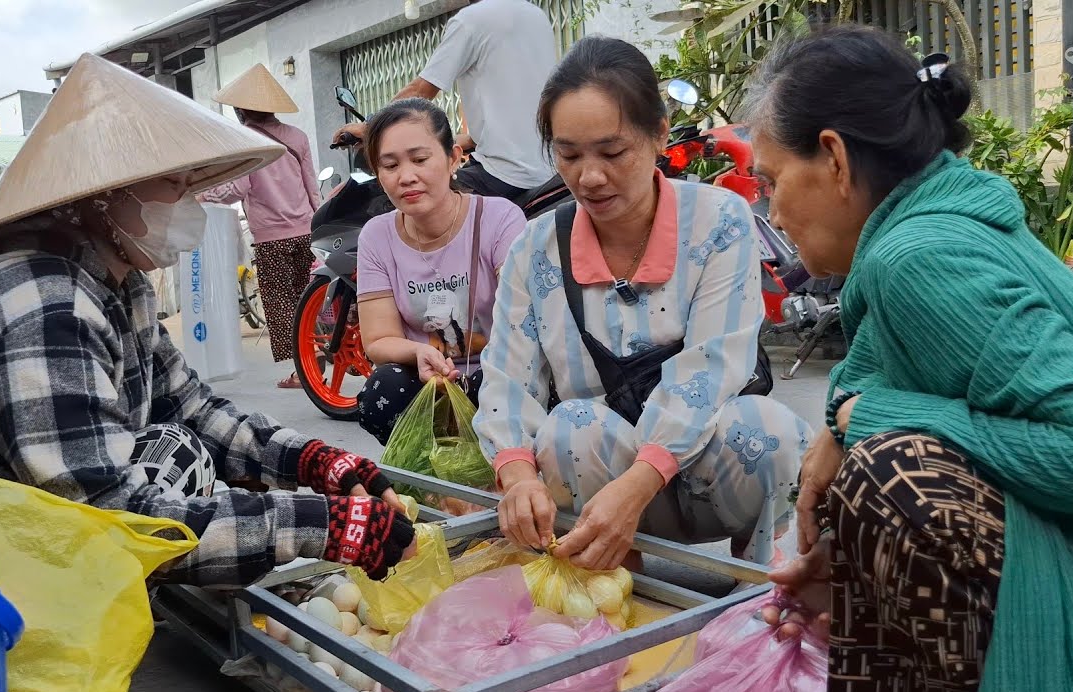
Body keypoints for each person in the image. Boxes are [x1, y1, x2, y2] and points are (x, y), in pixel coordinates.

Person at [0, 53, 416, 588]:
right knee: (146, 501)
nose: (188, 203)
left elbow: (191, 406)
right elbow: (112, 515)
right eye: (175, 186)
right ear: (105, 198)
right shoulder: (42, 304)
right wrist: (324, 526)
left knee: (177, 445)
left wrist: (314, 462)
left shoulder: (118, 283)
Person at [743, 27, 1073, 692]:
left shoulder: (919, 259)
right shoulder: (927, 228)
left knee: (889, 469)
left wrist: (860, 421)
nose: (774, 212)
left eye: (772, 181)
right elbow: (880, 378)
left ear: (836, 160)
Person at [474, 36, 811, 572]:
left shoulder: (719, 220)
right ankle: (612, 574)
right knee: (571, 426)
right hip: (593, 483)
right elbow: (507, 378)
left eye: (612, 152)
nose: (589, 176)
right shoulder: (532, 249)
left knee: (772, 432)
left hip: (705, 479)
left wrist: (639, 483)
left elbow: (713, 366)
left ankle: (755, 578)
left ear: (657, 134)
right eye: (568, 154)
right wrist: (515, 474)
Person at [355, 99, 527, 444]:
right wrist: (419, 352)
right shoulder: (376, 236)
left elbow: (524, 321)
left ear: (454, 159)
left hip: (499, 372)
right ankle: (431, 485)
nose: (406, 177)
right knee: (381, 390)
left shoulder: (500, 219)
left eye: (420, 160)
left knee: (495, 388)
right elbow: (377, 340)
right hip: (426, 379)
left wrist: (473, 359)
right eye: (389, 165)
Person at [332, 0, 557, 199]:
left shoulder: (471, 21)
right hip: (550, 171)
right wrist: (464, 140)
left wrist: (372, 127)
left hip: (504, 175)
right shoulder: (536, 16)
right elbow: (516, 106)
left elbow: (420, 91)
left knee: (413, 199)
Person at [199, 64, 322, 389]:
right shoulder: (297, 137)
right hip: (306, 232)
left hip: (272, 239)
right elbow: (312, 186)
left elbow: (237, 188)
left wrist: (202, 194)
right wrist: (318, 220)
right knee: (309, 299)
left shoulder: (247, 142)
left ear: (242, 109)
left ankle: (303, 372)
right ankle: (318, 360)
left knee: (284, 307)